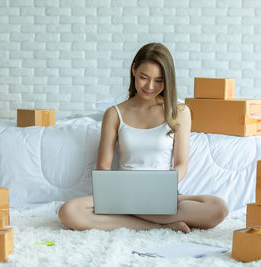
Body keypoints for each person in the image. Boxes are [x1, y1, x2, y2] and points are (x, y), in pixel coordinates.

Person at [58, 43, 228, 233]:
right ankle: (155, 226)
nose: (149, 87)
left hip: (161, 195)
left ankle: (133, 219)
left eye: (159, 81)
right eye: (144, 78)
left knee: (218, 208)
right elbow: (103, 167)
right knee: (69, 211)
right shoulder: (114, 113)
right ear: (134, 70)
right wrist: (118, 195)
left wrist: (161, 186)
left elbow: (181, 164)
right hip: (123, 196)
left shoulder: (179, 112)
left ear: (168, 80)